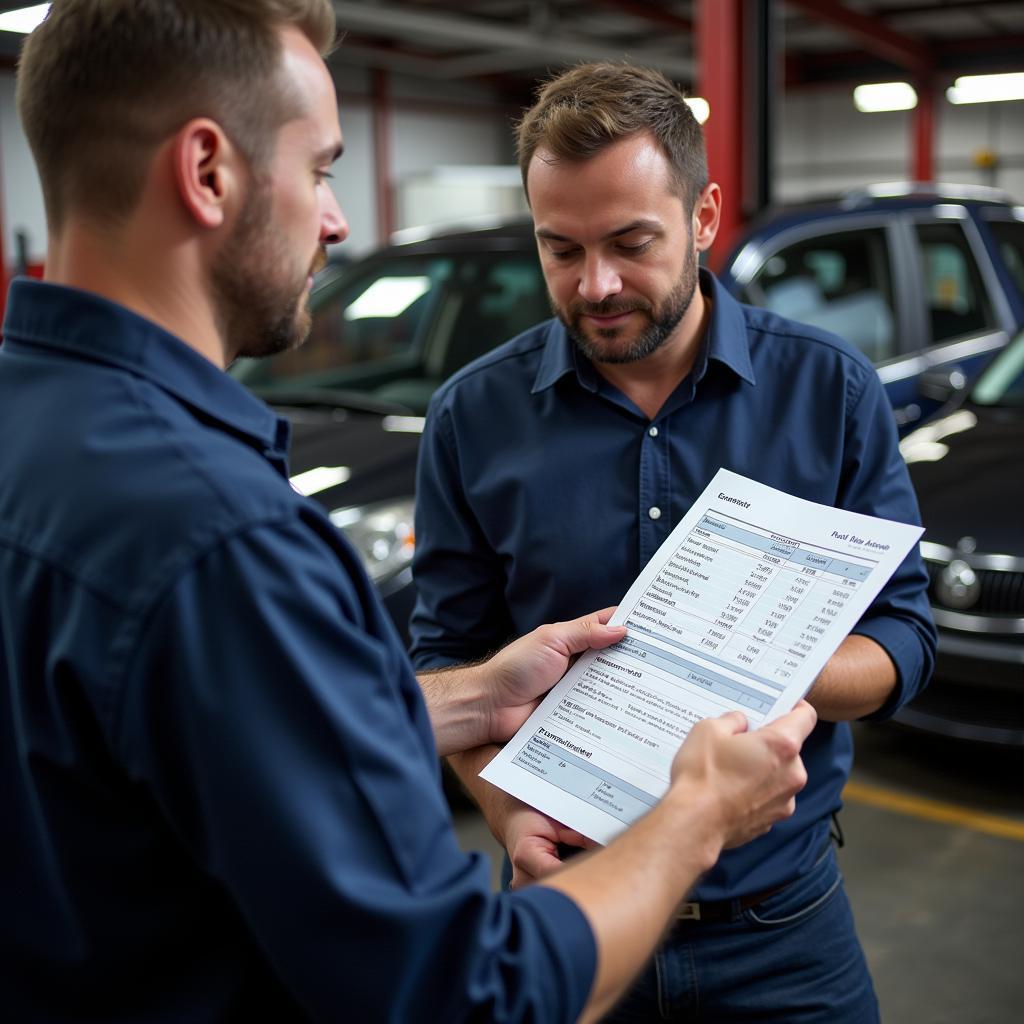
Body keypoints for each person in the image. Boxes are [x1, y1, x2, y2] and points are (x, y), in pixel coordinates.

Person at [0, 6, 818, 1022]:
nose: (336, 221)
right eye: (321, 169)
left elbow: (145, 752)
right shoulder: (221, 535)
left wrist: (466, 700)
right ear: (207, 171)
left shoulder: (29, 430)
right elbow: (466, 993)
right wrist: (695, 812)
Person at [410, 63, 938, 1022]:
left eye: (629, 242)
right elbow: (448, 658)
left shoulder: (829, 391)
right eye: (559, 249)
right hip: (566, 910)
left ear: (703, 217)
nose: (595, 284)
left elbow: (904, 635)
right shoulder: (470, 417)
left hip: (781, 928)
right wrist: (506, 816)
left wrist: (750, 670)